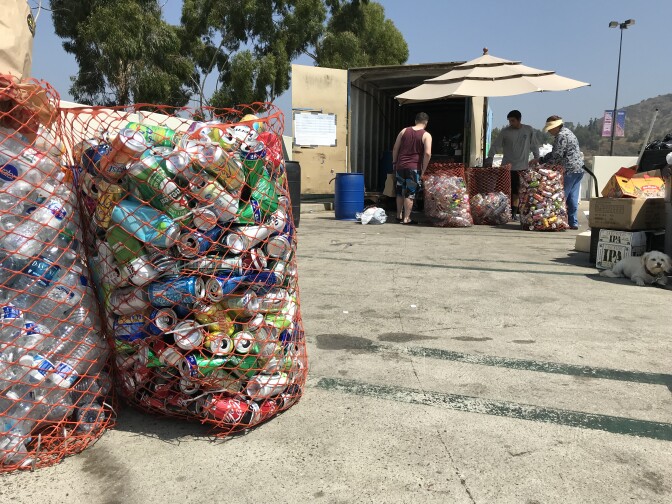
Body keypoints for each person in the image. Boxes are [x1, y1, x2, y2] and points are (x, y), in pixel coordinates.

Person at [484, 110, 540, 219]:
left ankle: (514, 213)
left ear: (519, 120)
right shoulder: (505, 132)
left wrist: (537, 157)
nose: (511, 123)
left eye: (513, 121)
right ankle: (500, 212)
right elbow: (495, 145)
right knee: (502, 190)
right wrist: (490, 158)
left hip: (522, 168)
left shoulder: (528, 130)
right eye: (509, 121)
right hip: (507, 167)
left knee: (518, 191)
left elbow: (534, 145)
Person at [540, 115, 584, 230]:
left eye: (550, 128)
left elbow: (557, 155)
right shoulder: (569, 132)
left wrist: (544, 164)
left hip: (568, 169)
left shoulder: (561, 136)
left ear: (556, 127)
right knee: (573, 197)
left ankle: (559, 220)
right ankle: (573, 222)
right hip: (578, 169)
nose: (549, 131)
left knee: (561, 197)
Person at [392, 112, 432, 225]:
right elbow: (428, 153)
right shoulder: (426, 135)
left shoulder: (404, 131)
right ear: (426, 123)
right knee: (410, 192)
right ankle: (406, 218)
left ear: (415, 121)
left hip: (400, 166)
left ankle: (398, 215)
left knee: (400, 191)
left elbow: (395, 148)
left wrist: (394, 163)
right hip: (414, 168)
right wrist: (423, 169)